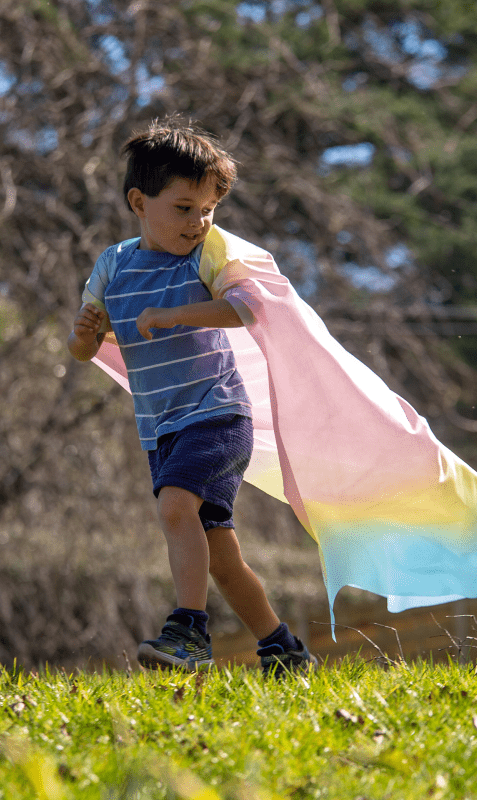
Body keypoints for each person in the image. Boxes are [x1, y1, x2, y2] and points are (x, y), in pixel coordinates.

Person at [67, 117, 316, 675]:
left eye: (208, 209)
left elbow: (249, 308)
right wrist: (84, 336)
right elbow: (84, 347)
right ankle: (284, 649)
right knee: (222, 558)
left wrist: (176, 314)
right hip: (162, 427)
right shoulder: (113, 265)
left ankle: (189, 633)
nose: (199, 221)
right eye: (184, 208)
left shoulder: (209, 256)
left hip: (219, 414)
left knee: (176, 507)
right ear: (139, 201)